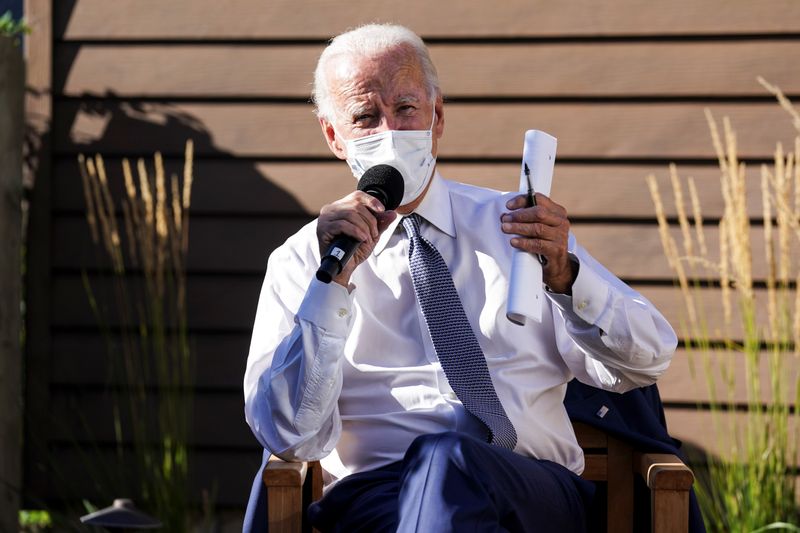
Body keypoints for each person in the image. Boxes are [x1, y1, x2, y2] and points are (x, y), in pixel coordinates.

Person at [243, 23, 677, 532]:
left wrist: (566, 276)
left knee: (449, 459)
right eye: (365, 116)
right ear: (334, 136)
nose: (389, 131)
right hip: (381, 496)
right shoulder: (303, 262)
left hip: (529, 489)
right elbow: (290, 435)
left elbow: (649, 358)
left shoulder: (519, 228)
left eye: (405, 109)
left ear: (437, 115)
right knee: (440, 464)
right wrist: (330, 287)